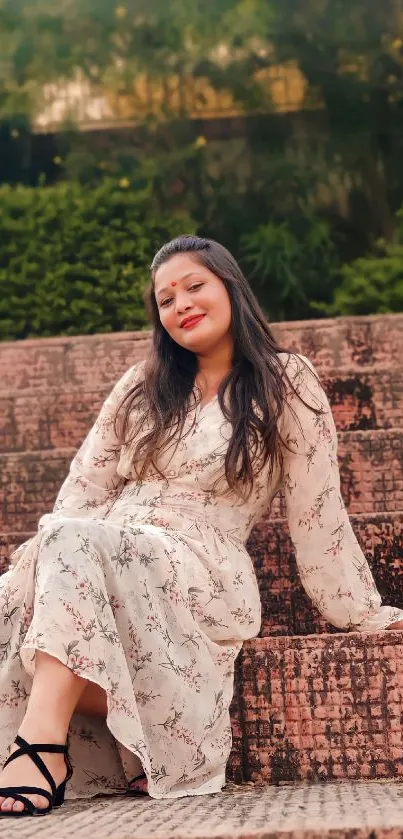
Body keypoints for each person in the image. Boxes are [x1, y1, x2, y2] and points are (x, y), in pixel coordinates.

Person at [0, 234, 402, 818]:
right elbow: (82, 492)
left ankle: (40, 748)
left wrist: (361, 613)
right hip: (106, 549)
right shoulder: (141, 386)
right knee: (34, 565)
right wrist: (38, 570)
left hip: (200, 564)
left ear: (230, 288)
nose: (180, 304)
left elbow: (318, 511)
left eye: (194, 286)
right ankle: (101, 736)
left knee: (67, 541)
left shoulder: (285, 382)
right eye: (165, 299)